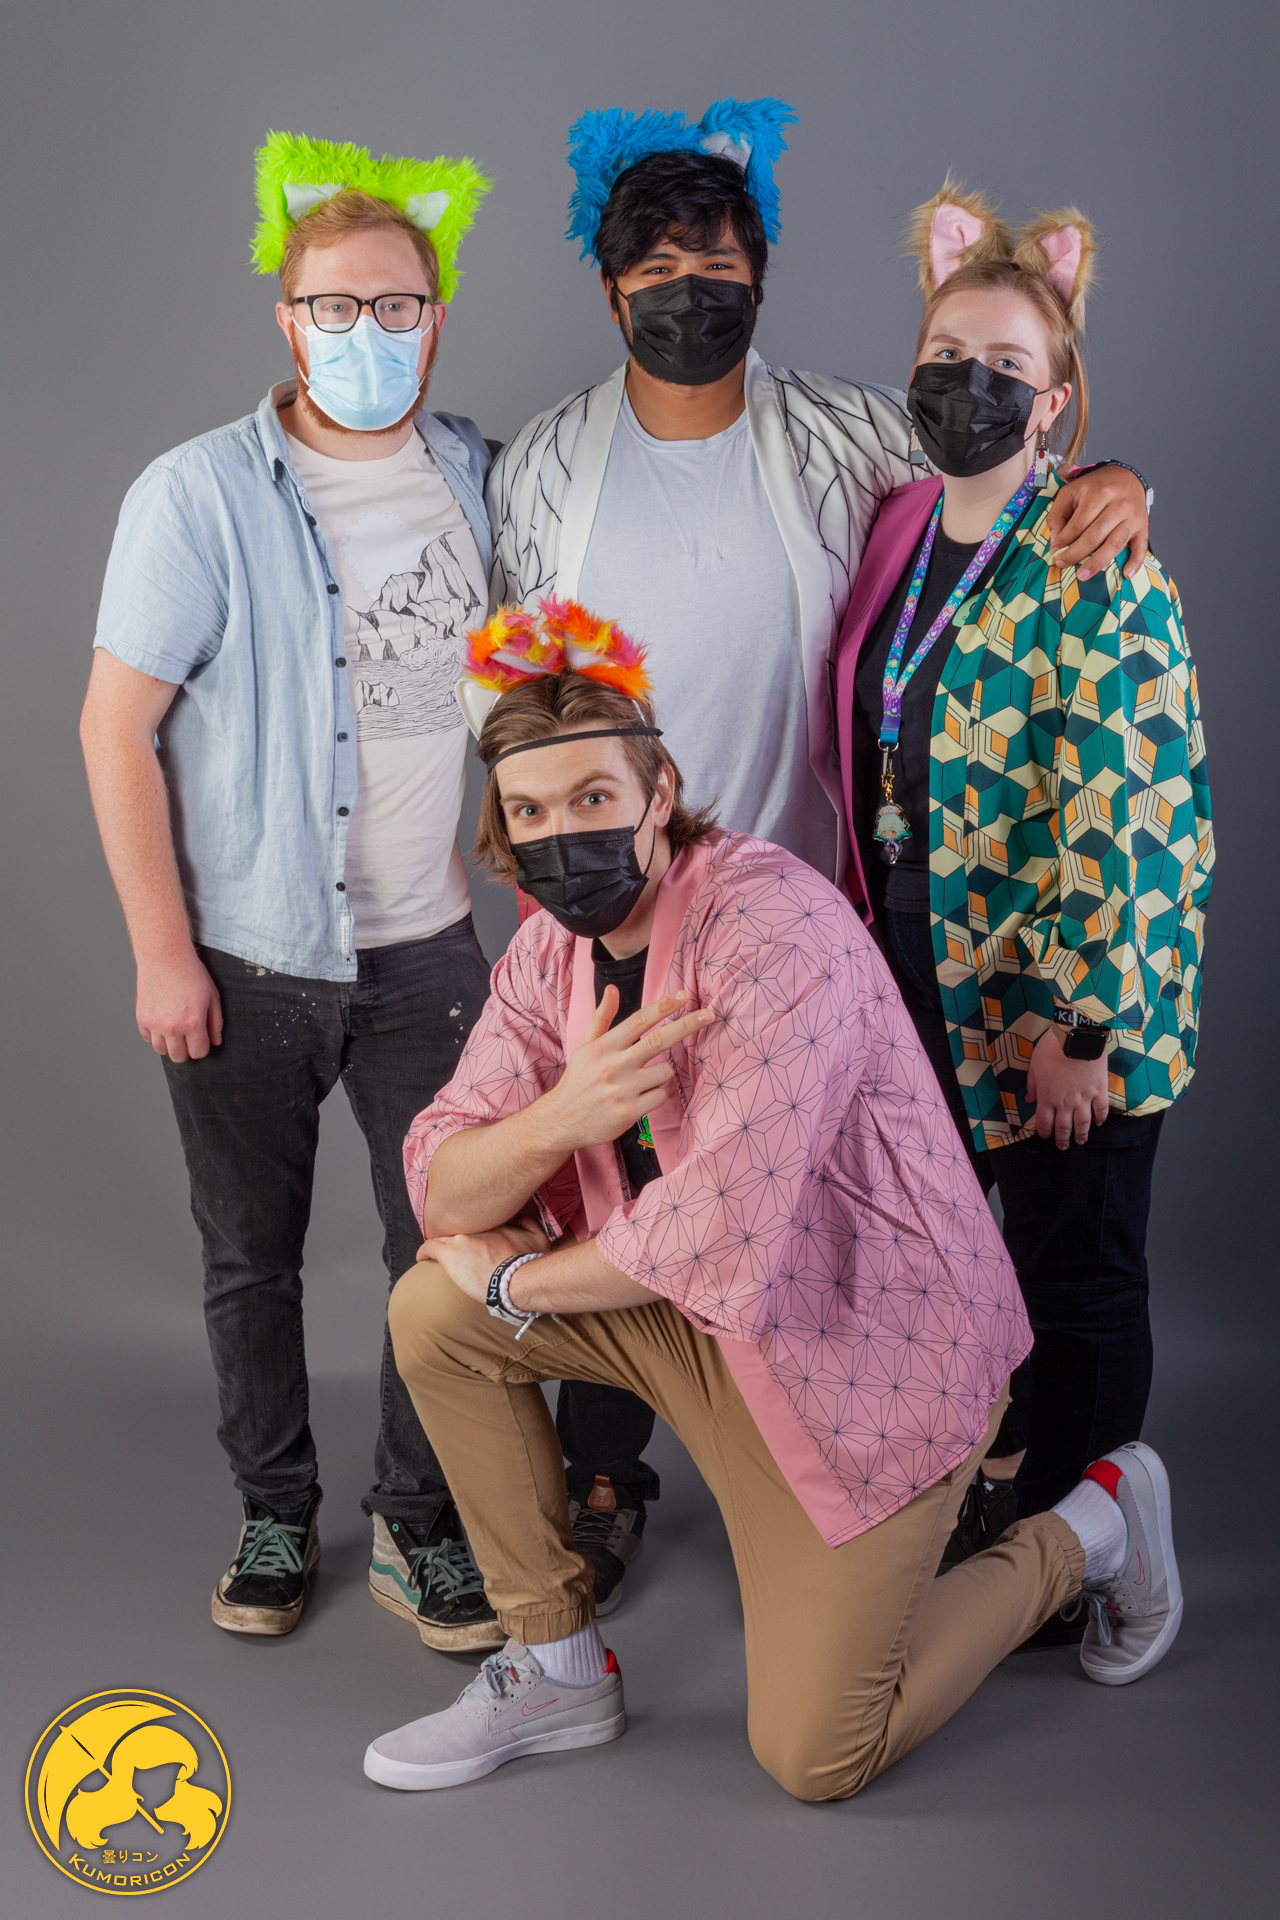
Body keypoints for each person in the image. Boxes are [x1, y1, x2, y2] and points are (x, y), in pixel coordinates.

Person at [487, 100, 1156, 1588]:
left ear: (761, 276)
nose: (688, 293)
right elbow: (520, 694)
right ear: (608, 287)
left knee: (798, 1204)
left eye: (717, 266)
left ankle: (825, 1481)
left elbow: (995, 486)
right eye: (656, 270)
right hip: (619, 910)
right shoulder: (540, 465)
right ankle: (606, 1468)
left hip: (807, 916)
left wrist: (1118, 480)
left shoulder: (847, 434)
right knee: (615, 1178)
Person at [360, 613, 1184, 1798]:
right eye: (528, 813)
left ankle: (1089, 1530)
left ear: (658, 792)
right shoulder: (546, 957)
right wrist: (557, 1122)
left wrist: (508, 1278)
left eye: (591, 797)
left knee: (816, 1754)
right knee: (429, 1315)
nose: (560, 835)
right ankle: (554, 1667)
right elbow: (439, 1174)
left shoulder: (772, 923)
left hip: (860, 1355)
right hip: (689, 1325)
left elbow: (720, 1228)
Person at [79, 132, 508, 1649]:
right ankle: (273, 1508)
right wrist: (162, 953)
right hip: (246, 955)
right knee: (249, 1258)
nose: (365, 332)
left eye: (395, 306)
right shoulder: (195, 494)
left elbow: (540, 680)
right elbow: (114, 728)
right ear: (287, 317)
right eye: (335, 306)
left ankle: (416, 1523)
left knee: (442, 1252)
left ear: (435, 319)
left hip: (432, 958)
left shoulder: (479, 476)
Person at [832, 184, 1212, 1636]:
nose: (968, 385)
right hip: (920, 960)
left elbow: (1138, 817)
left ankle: (1091, 1552)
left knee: (1075, 1272)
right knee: (953, 1260)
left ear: (1057, 402)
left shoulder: (1097, 558)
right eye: (946, 355)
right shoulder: (901, 528)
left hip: (1058, 992)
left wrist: (1081, 1026)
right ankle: (1008, 1490)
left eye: (1005, 366)